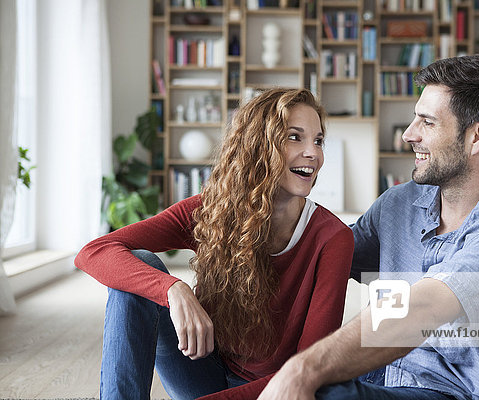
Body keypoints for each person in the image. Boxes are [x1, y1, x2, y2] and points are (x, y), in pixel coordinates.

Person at [256, 55, 479, 400]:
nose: (408, 135)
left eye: (427, 122)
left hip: (448, 393)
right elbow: (323, 255)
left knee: (320, 385)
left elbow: (421, 310)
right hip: (379, 379)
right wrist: (181, 285)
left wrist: (302, 370)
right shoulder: (399, 203)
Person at [74, 88, 354, 400]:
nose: (313, 153)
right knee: (139, 266)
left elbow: (309, 368)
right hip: (200, 368)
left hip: (275, 390)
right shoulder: (212, 209)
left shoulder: (333, 238)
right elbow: (94, 252)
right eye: (294, 137)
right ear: (258, 145)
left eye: (318, 140)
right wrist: (173, 289)